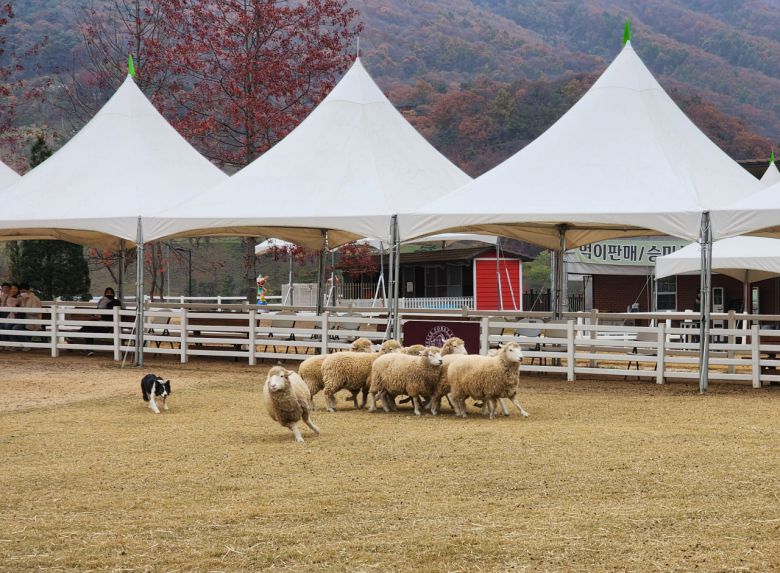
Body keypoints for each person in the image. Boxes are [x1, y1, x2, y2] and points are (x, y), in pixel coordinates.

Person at [80, 287, 122, 356]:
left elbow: (110, 316)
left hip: (106, 326)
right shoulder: (102, 301)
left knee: (87, 328)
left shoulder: (115, 302)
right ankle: (90, 350)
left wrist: (101, 317)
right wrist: (95, 316)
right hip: (98, 323)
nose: (109, 294)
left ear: (113, 293)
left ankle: (87, 347)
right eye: (107, 292)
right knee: (88, 327)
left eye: (110, 292)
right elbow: (97, 312)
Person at [12, 283, 42, 351]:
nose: (22, 293)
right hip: (23, 320)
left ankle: (27, 344)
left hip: (32, 320)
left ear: (29, 290)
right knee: (9, 325)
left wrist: (24, 310)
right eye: (21, 291)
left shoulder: (34, 299)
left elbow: (35, 312)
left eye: (24, 291)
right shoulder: (21, 298)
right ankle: (16, 345)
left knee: (16, 328)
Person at [0, 284, 20, 348]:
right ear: (2, 289)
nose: (5, 289)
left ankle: (11, 344)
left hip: (10, 314)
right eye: (4, 288)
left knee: (6, 326)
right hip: (2, 314)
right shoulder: (1, 296)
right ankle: (4, 343)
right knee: (2, 327)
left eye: (7, 288)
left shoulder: (14, 296)